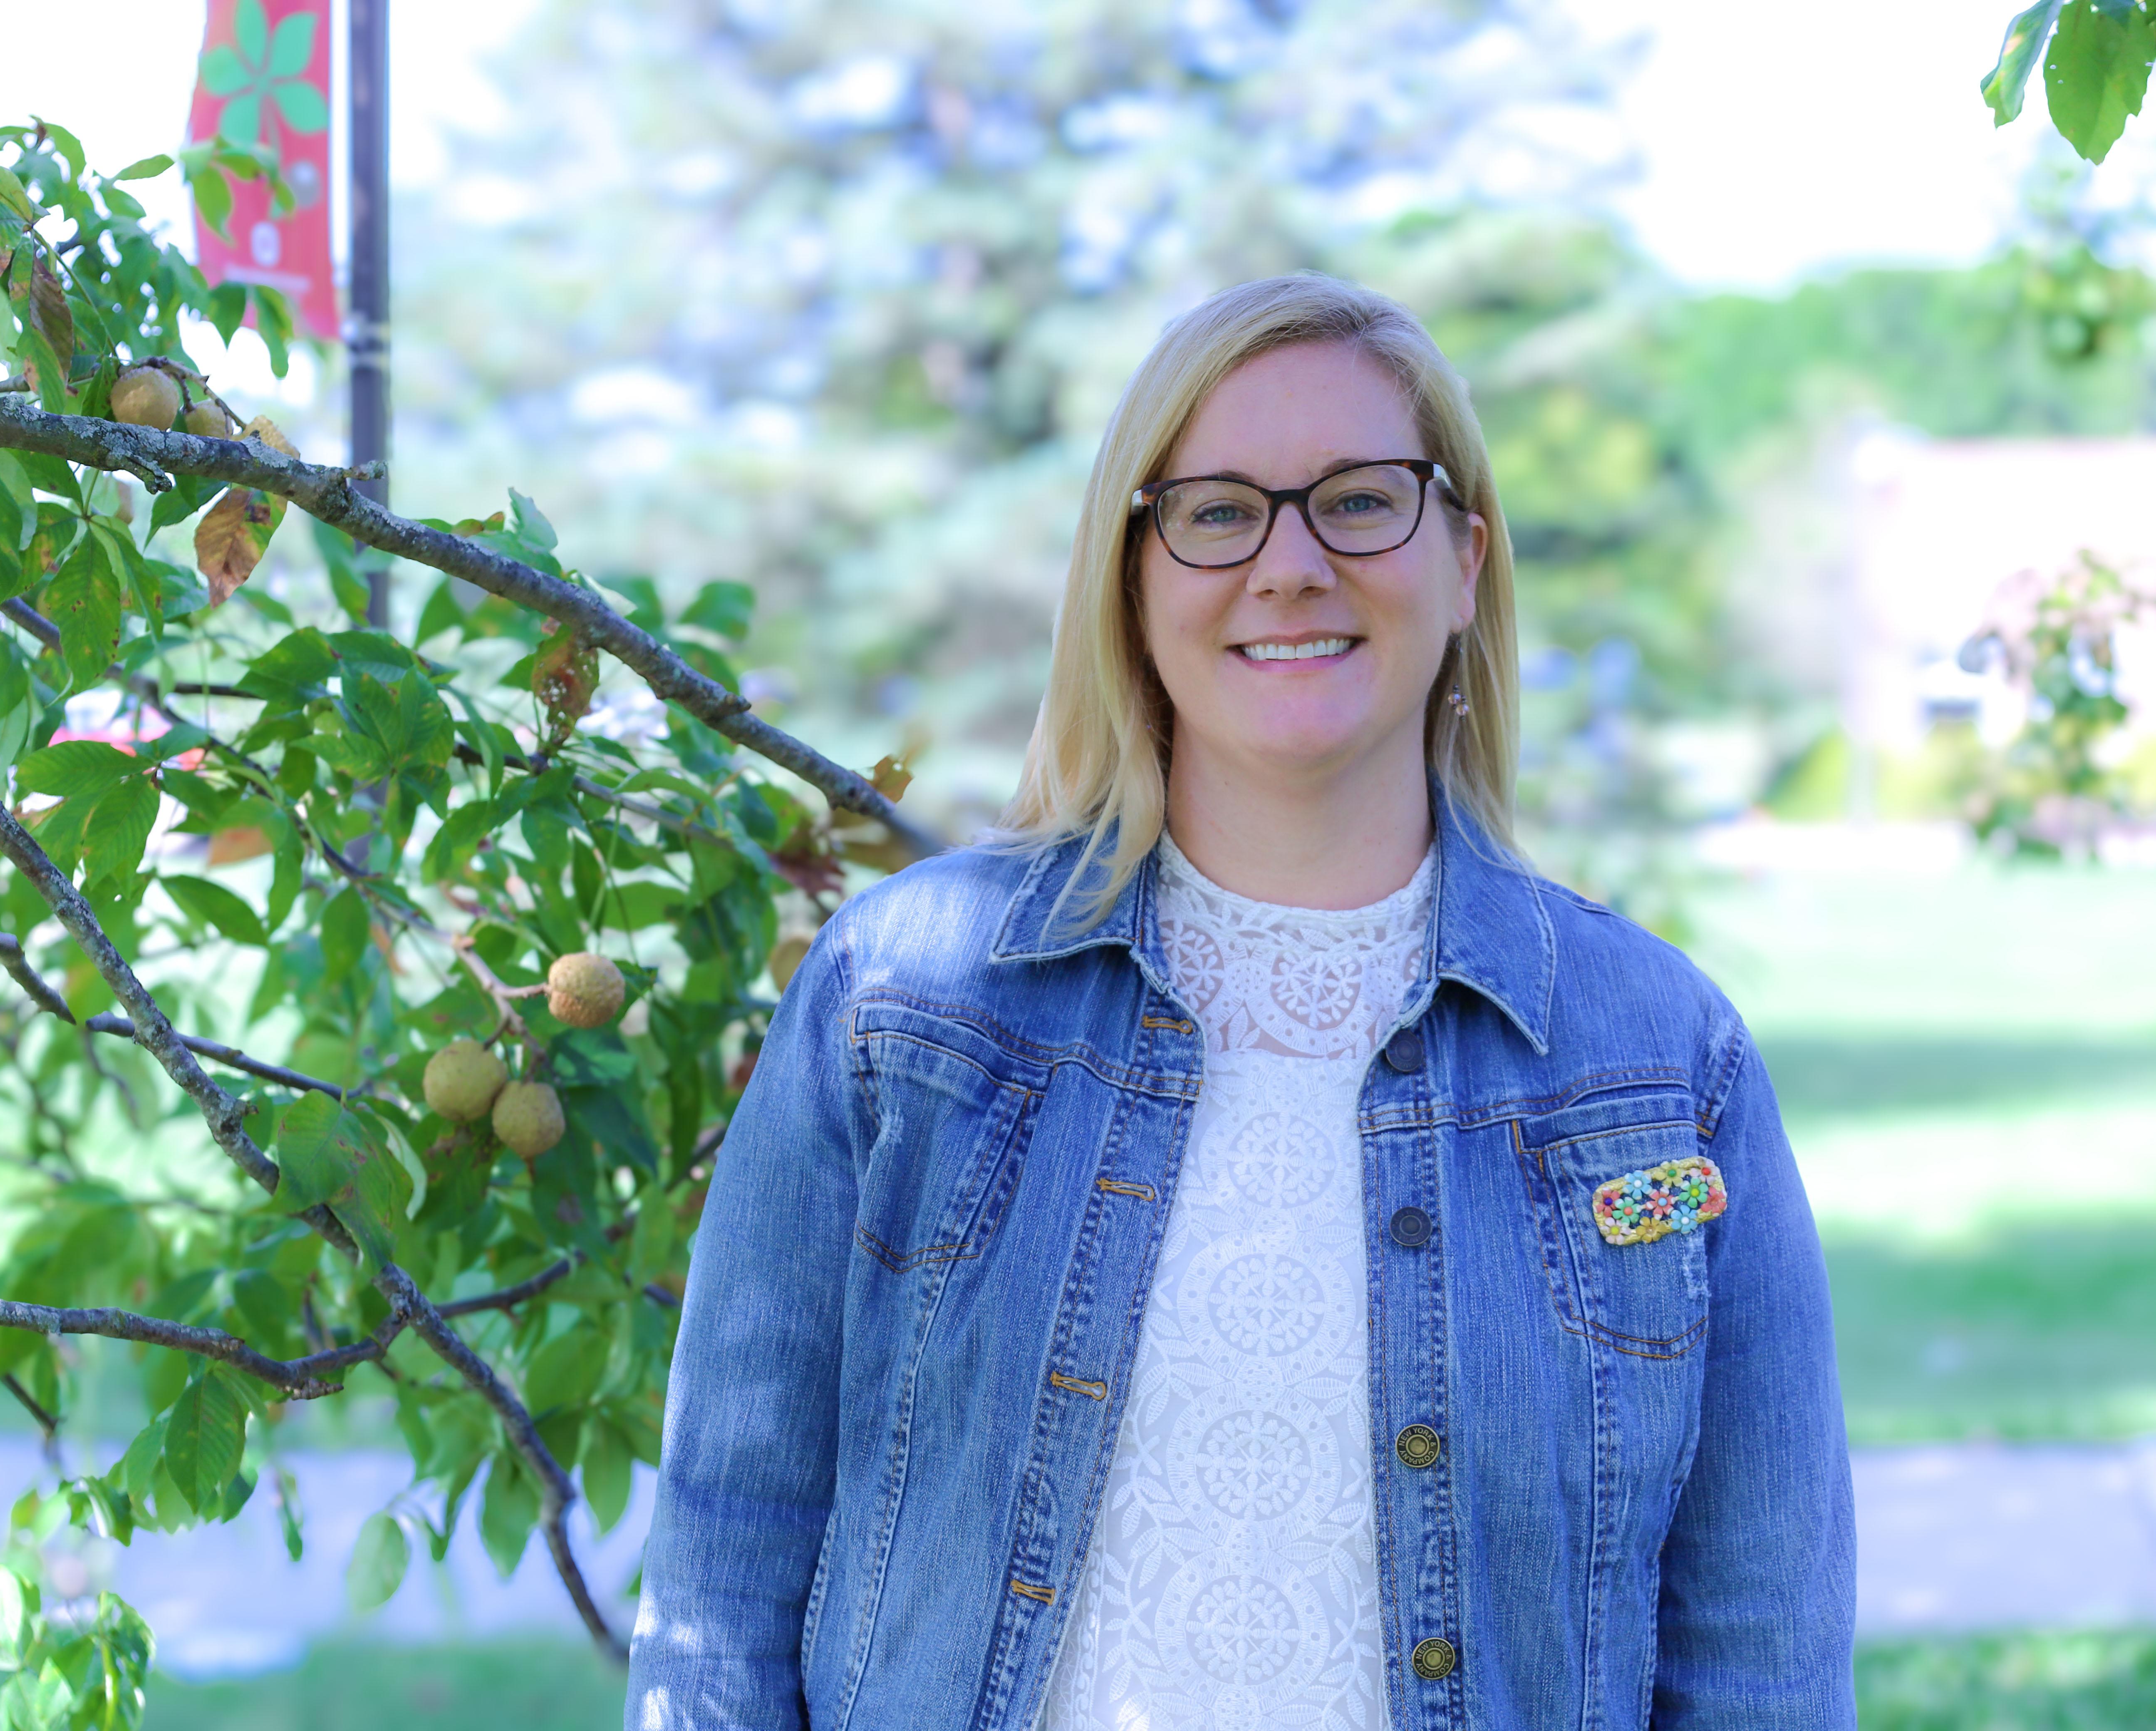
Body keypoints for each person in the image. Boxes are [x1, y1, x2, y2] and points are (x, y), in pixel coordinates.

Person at [625, 273, 1854, 1731]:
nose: (1288, 565)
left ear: (1465, 560)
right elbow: (723, 1579)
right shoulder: (908, 1006)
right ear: (1131, 578)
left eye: (1358, 500)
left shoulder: (1661, 1060)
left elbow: (1760, 1659)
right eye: (1217, 511)